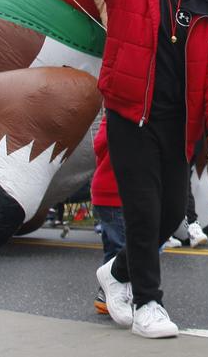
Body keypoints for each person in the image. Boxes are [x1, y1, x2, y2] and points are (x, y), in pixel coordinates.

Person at [61, 0, 208, 339]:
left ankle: (116, 272)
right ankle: (148, 303)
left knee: (172, 214)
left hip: (181, 126)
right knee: (143, 211)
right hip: (130, 116)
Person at [90, 118, 125, 316]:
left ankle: (105, 293)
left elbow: (99, 145)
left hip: (106, 192)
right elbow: (101, 144)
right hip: (114, 192)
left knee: (114, 245)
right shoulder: (116, 121)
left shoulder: (109, 121)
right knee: (120, 247)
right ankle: (115, 292)